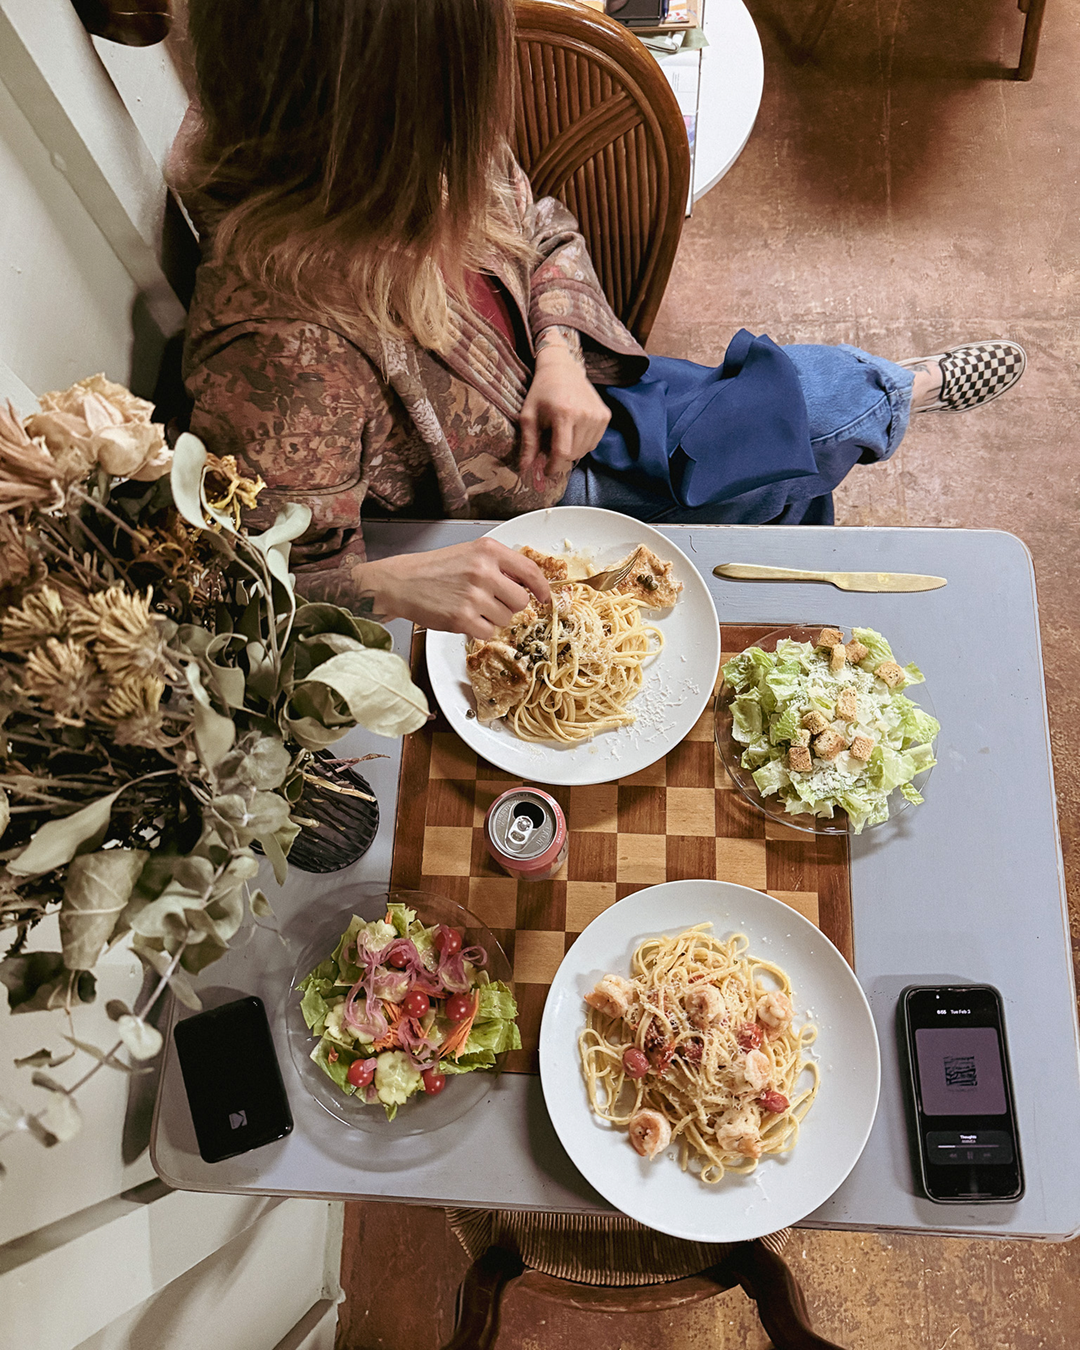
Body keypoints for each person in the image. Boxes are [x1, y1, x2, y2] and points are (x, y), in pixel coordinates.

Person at [175, 0, 1026, 641]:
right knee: (806, 427)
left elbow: (543, 224)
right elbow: (239, 588)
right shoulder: (281, 354)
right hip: (504, 519)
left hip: (577, 415)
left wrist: (558, 355)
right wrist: (393, 587)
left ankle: (897, 390)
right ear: (390, 102)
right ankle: (903, 389)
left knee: (796, 426)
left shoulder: (417, 157)